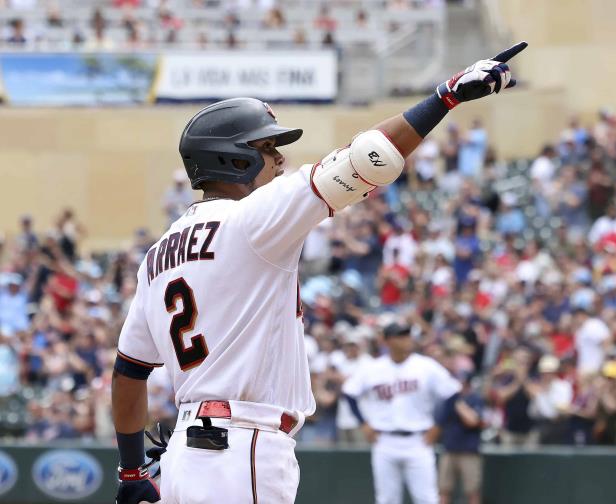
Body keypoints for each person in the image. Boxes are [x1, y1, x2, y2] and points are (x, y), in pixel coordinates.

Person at [111, 42, 527, 504]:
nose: (279, 159)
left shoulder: (156, 256)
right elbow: (366, 157)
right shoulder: (252, 221)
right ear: (234, 159)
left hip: (186, 460)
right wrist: (445, 97)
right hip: (243, 446)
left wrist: (131, 472)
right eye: (267, 148)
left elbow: (129, 371)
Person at [342, 323, 462, 504]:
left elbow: (452, 392)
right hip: (384, 440)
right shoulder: (373, 368)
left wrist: (438, 425)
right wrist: (363, 423)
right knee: (387, 499)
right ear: (387, 341)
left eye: (407, 335)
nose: (407, 340)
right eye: (401, 336)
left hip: (419, 440)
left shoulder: (426, 366)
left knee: (427, 499)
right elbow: (349, 393)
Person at [436, 374, 484, 504]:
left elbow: (473, 421)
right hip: (449, 449)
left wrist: (460, 406)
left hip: (469, 451)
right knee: (444, 490)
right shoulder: (449, 400)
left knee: (472, 491)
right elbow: (439, 423)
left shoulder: (475, 399)